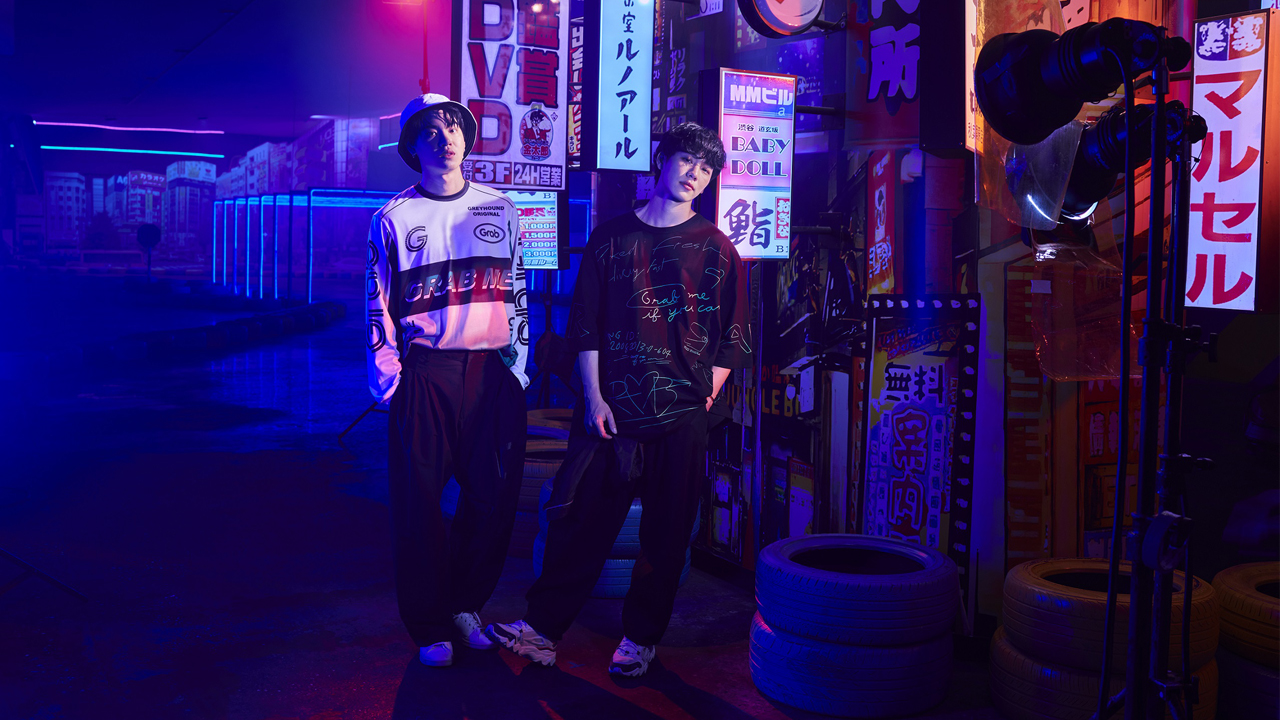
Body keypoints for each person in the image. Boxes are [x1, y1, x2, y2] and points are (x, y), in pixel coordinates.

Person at [487, 122, 752, 677]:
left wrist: (707, 394)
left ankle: (639, 639)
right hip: (610, 413)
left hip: (682, 416)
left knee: (666, 535)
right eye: (686, 160)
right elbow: (585, 325)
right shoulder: (611, 238)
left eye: (706, 169)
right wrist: (593, 397)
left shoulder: (717, 248)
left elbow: (734, 336)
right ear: (662, 160)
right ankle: (541, 632)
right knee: (579, 523)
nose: (694, 174)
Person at [366, 93, 529, 668]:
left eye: (454, 127)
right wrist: (390, 381)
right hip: (426, 374)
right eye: (431, 131)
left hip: (490, 373)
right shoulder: (393, 218)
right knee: (418, 504)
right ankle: (429, 624)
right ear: (412, 146)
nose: (446, 138)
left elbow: (517, 288)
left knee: (492, 498)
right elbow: (377, 303)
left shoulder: (501, 209)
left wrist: (517, 366)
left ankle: (464, 606)